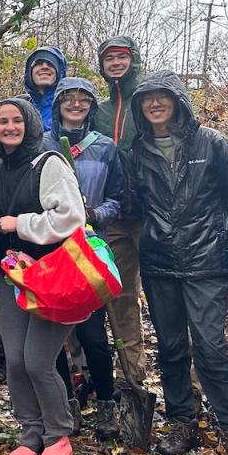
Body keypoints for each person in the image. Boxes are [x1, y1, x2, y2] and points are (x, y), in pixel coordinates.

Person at [123, 70, 228, 455]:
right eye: (147, 98)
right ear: (139, 107)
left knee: (211, 347)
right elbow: (132, 205)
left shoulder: (212, 143)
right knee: (170, 347)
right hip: (159, 259)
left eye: (163, 96)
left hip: (207, 260)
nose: (155, 104)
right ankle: (183, 419)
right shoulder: (136, 152)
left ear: (179, 100)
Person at [0, 97, 85, 455]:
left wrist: (21, 224)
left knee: (37, 360)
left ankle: (57, 436)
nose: (10, 127)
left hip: (54, 278)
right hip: (13, 278)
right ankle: (30, 432)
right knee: (14, 360)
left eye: (17, 120)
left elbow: (71, 217)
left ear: (30, 124)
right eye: (2, 122)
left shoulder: (49, 163)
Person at [43, 77, 124, 440]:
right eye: (68, 99)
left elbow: (119, 198)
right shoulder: (44, 145)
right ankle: (68, 404)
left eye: (83, 100)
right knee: (56, 334)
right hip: (54, 249)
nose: (75, 105)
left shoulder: (105, 148)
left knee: (93, 335)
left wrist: (96, 214)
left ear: (92, 105)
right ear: (58, 103)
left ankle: (106, 403)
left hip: (91, 250)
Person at [91, 36, 147, 387]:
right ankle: (132, 379)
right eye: (109, 58)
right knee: (122, 297)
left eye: (121, 57)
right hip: (114, 218)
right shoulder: (99, 110)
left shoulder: (148, 101)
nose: (115, 63)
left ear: (134, 60)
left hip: (151, 214)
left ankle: (191, 389)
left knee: (168, 298)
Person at [0, 45, 67, 130]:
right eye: (38, 63)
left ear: (59, 72)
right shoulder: (20, 106)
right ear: (30, 73)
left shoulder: (71, 105)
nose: (44, 67)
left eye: (50, 63)